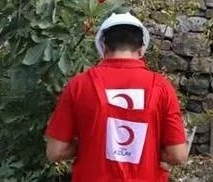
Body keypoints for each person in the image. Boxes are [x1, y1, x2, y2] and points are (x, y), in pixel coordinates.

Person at [44, 13, 189, 180]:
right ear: (141, 49)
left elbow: (55, 152)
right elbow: (178, 155)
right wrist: (147, 148)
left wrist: (90, 143)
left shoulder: (79, 85)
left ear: (104, 47)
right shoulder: (162, 87)